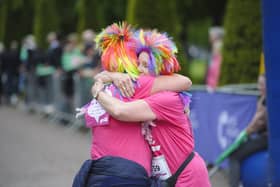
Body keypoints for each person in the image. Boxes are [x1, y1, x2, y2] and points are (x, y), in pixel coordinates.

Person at [72, 23, 192, 187]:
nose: (140, 67)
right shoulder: (135, 84)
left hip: (99, 172)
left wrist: (104, 80)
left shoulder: (105, 88)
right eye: (138, 61)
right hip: (126, 174)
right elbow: (185, 81)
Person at [228, 74, 268, 187]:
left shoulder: (267, 100)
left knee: (234, 155)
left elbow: (258, 122)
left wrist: (245, 133)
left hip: (267, 139)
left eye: (262, 84)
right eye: (258, 84)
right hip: (264, 137)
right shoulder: (265, 98)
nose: (259, 87)